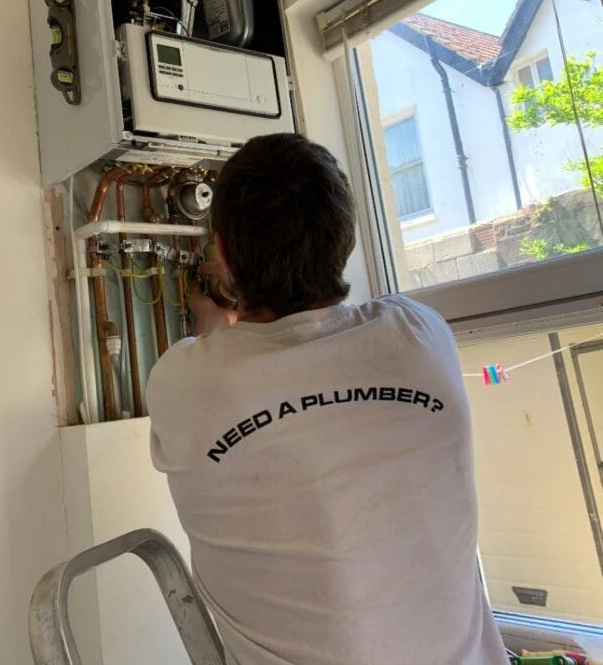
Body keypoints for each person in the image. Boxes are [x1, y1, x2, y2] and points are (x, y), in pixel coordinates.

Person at [146, 133, 507, 665]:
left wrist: (215, 333)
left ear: (221, 250)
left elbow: (242, 383)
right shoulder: (420, 335)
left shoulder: (181, 380)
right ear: (349, 241)